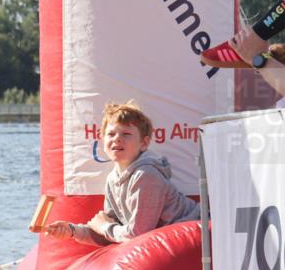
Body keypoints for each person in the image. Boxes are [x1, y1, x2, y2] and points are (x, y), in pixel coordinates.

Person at [43, 102, 199, 246]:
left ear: (144, 143)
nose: (117, 139)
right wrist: (72, 230)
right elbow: (111, 232)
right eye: (111, 134)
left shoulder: (146, 175)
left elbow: (137, 234)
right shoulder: (113, 178)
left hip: (195, 233)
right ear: (102, 140)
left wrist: (104, 226)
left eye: (126, 134)